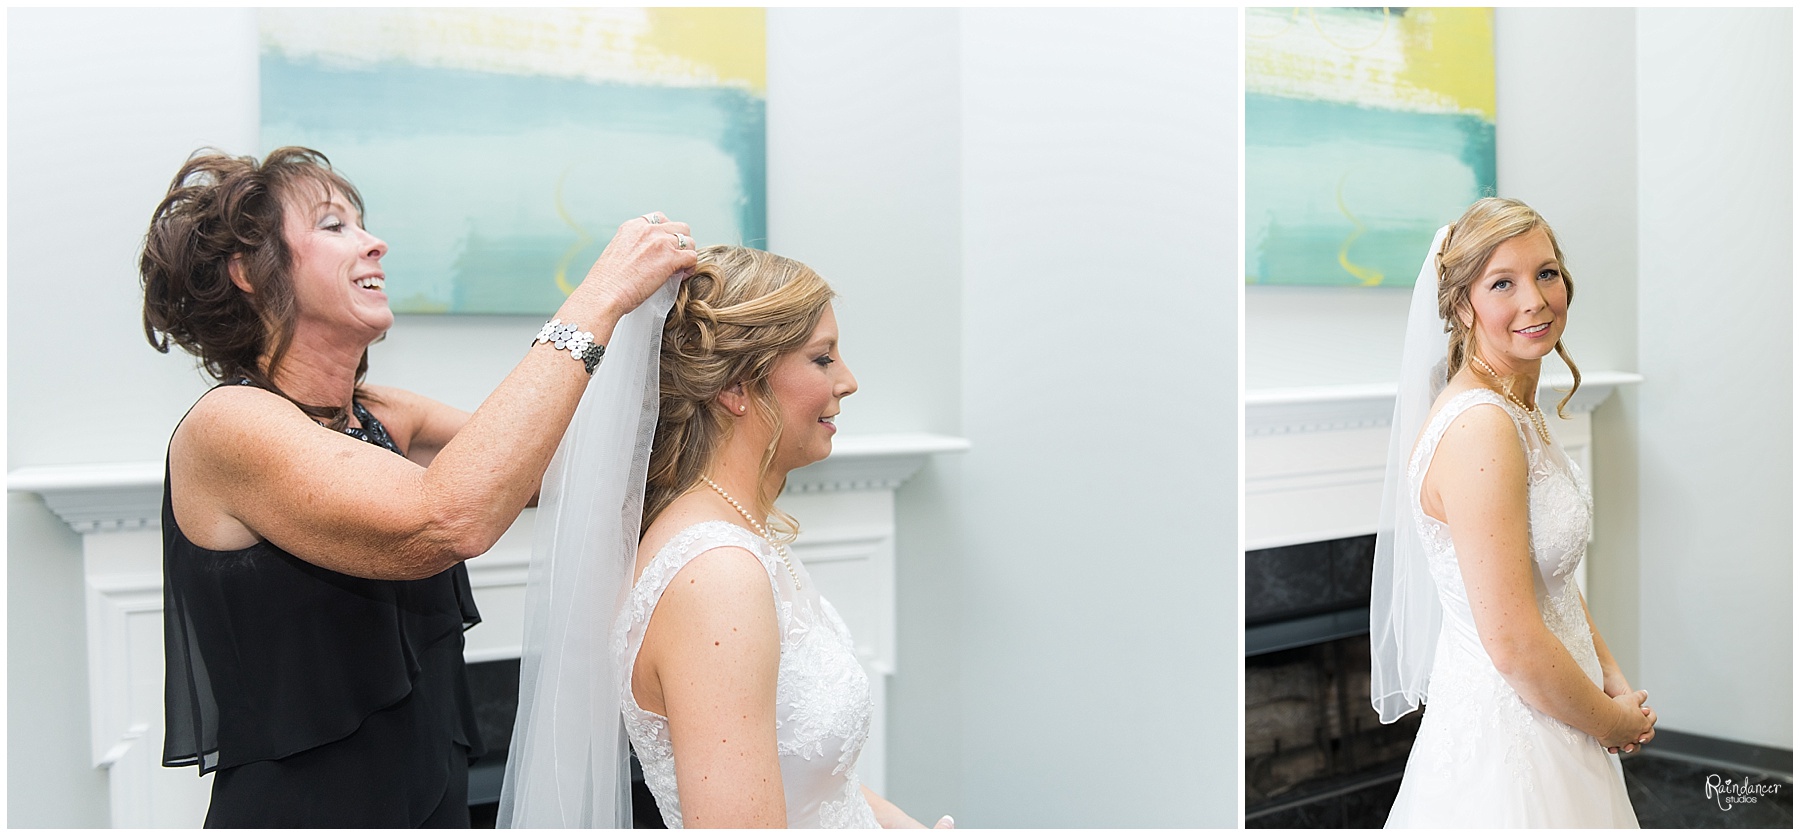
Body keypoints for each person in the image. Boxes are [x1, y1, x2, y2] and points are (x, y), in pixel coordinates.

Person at [142, 146, 695, 827]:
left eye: (362, 224)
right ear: (246, 273)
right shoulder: (228, 426)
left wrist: (673, 345)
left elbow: (552, 471)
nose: (375, 243)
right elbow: (451, 519)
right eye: (334, 225)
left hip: (434, 799)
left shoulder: (387, 414)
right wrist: (598, 297)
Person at [498, 246, 951, 828]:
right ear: (739, 388)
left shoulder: (740, 535)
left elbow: (824, 790)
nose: (849, 381)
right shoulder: (715, 574)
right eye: (822, 358)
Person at [1370, 198, 1653, 827]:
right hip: (1514, 735)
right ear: (1462, 306)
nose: (1535, 299)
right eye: (1504, 283)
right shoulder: (1481, 429)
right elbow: (1514, 643)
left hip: (1560, 710)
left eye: (1546, 273)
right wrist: (1612, 722)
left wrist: (1608, 677)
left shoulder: (1514, 409)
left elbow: (1546, 579)